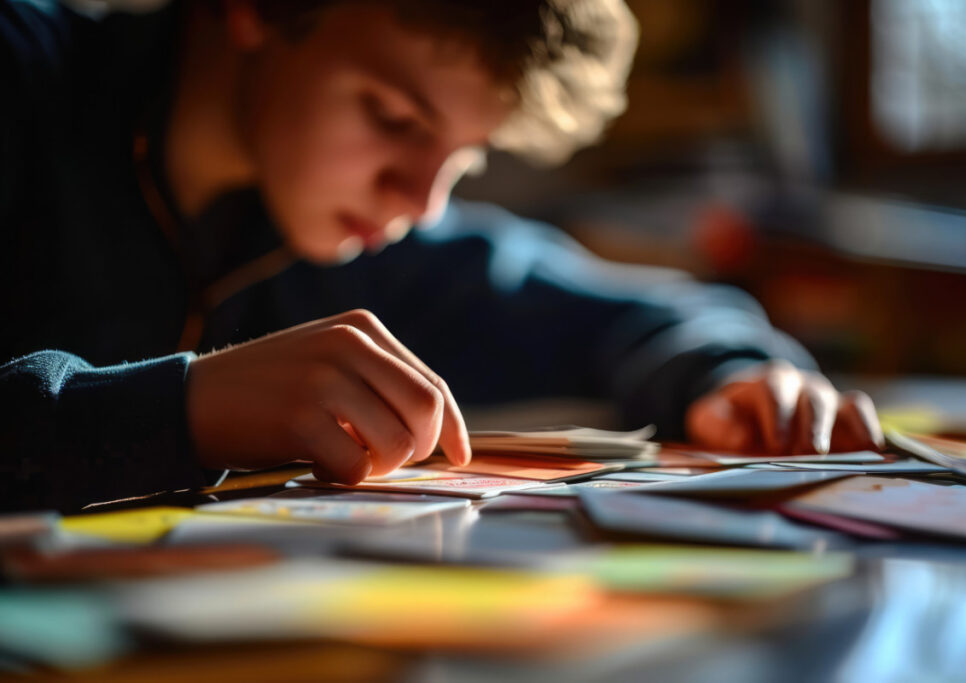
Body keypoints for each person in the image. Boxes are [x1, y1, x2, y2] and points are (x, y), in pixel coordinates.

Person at [0, 0, 883, 513]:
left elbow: (636, 310)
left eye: (463, 158)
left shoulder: (347, 233)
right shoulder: (22, 73)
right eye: (394, 118)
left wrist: (734, 374)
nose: (421, 202)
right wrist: (178, 407)